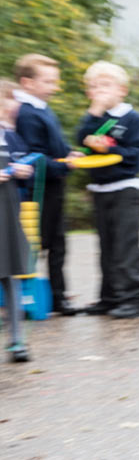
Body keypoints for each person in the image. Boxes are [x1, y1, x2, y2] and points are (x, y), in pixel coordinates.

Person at [76, 61, 139, 319]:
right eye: (93, 87)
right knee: (106, 246)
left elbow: (135, 155)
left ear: (122, 90)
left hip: (125, 188)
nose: (99, 91)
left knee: (125, 246)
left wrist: (109, 149)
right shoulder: (96, 119)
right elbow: (82, 140)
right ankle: (109, 297)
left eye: (105, 85)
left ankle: (134, 299)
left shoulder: (132, 119)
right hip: (100, 188)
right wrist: (93, 113)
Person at [13, 54, 78, 315]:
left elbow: (56, 146)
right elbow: (35, 157)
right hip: (37, 192)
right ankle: (33, 298)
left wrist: (70, 153)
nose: (54, 87)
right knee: (36, 245)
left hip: (54, 188)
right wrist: (64, 165)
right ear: (27, 82)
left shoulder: (42, 107)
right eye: (48, 81)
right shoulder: (26, 113)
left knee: (58, 245)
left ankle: (57, 297)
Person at [1, 81, 36, 361]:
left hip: (8, 207)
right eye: (11, 99)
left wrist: (24, 170)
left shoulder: (9, 135)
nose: (16, 105)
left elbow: (23, 162)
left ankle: (17, 340)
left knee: (10, 272)